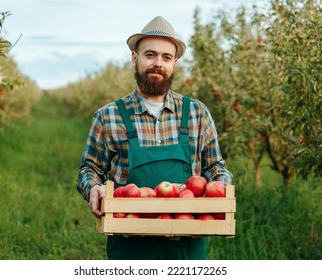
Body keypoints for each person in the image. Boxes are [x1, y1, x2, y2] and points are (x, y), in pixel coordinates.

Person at [76, 16, 233, 260]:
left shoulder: (197, 113)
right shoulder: (109, 116)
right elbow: (90, 168)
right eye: (150, 54)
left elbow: (215, 167)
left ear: (174, 64)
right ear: (134, 58)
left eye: (166, 57)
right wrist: (93, 187)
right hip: (130, 242)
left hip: (187, 243)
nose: (158, 63)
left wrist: (219, 189)